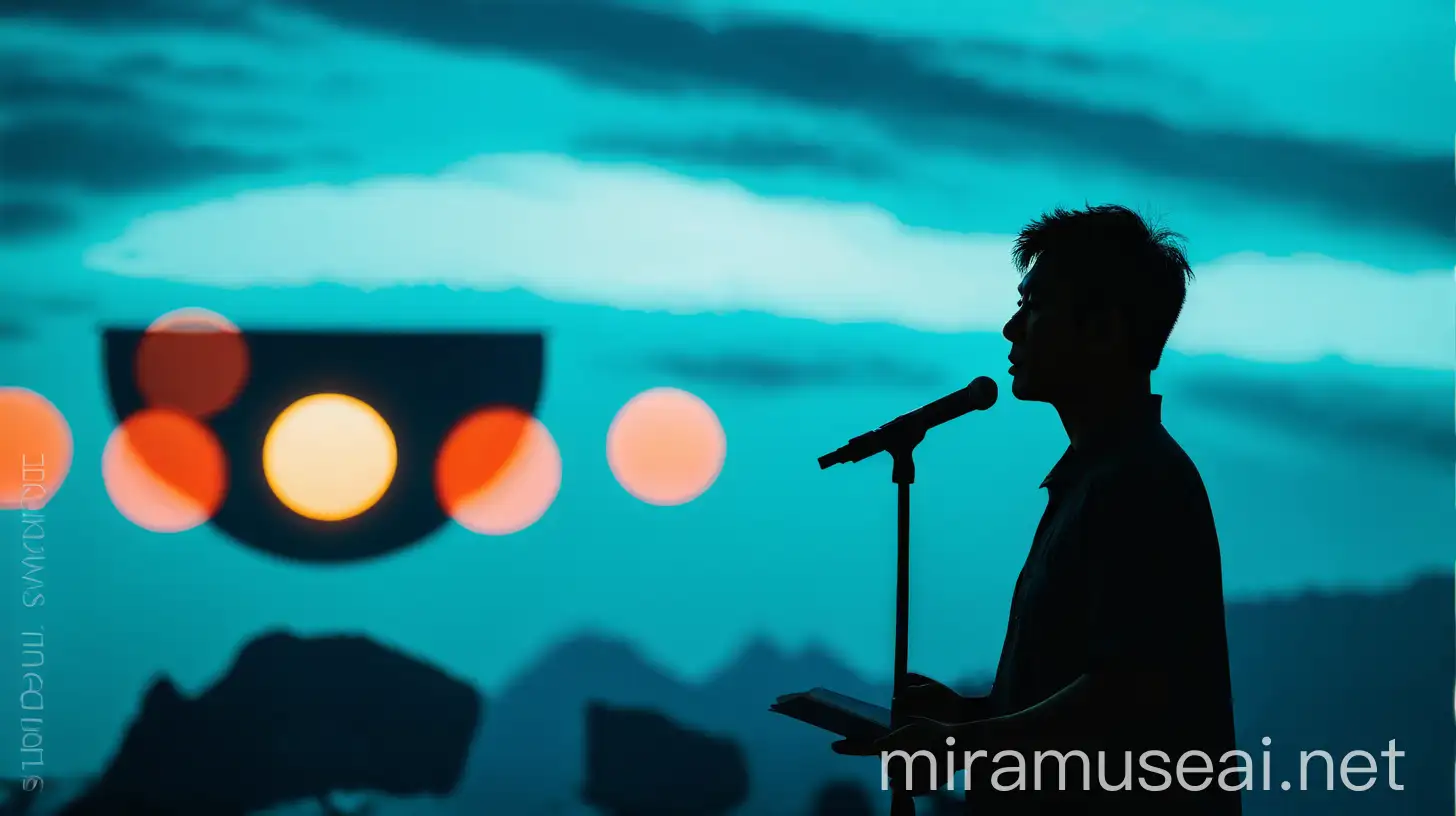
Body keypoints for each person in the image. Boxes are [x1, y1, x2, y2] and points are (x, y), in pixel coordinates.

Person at [832, 205, 1241, 814]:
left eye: (1033, 306)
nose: (1010, 328)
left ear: (1102, 330)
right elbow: (1086, 691)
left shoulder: (1139, 483)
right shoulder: (1097, 479)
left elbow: (1125, 695)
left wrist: (962, 744)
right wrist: (971, 714)